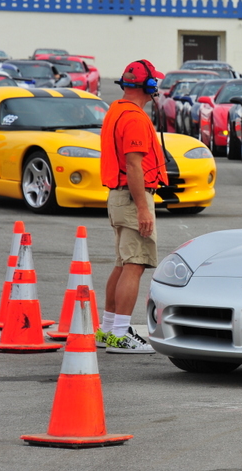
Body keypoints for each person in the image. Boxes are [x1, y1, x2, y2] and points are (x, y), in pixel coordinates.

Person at [97, 60, 168, 353]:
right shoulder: (135, 118)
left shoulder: (116, 109)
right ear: (147, 85)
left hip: (118, 195)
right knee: (135, 265)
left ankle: (107, 330)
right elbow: (134, 165)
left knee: (123, 264)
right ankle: (119, 334)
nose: (157, 87)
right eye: (155, 82)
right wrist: (142, 208)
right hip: (131, 197)